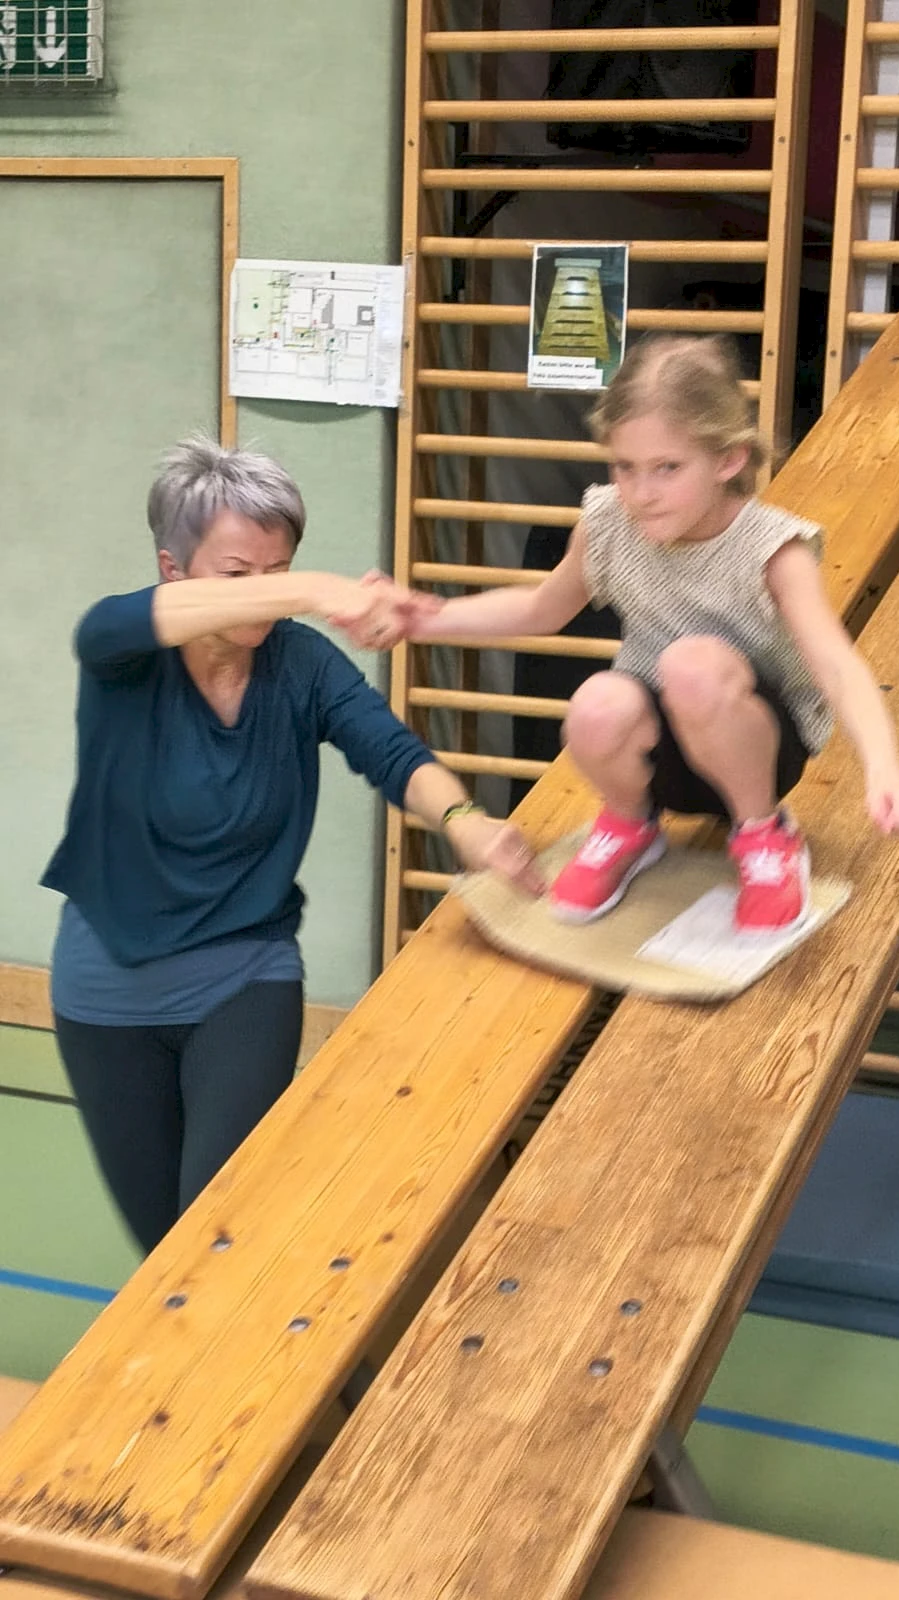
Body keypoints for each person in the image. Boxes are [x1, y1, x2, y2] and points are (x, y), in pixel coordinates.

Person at [42, 435, 541, 1256]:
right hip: (106, 991)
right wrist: (314, 588)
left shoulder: (301, 665)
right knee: (164, 1257)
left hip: (244, 973)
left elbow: (394, 755)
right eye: (239, 574)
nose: (265, 598)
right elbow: (114, 625)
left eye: (279, 572)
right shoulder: (120, 653)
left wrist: (465, 821)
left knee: (222, 1236)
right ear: (173, 570)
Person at [384, 334, 899, 932]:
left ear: (728, 460)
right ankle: (630, 825)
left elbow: (836, 665)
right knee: (595, 702)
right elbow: (540, 609)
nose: (642, 494)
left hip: (757, 748)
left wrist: (885, 768)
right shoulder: (608, 524)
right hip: (659, 759)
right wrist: (426, 617)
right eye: (625, 467)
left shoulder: (774, 549)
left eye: (667, 468)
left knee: (690, 667)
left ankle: (764, 835)